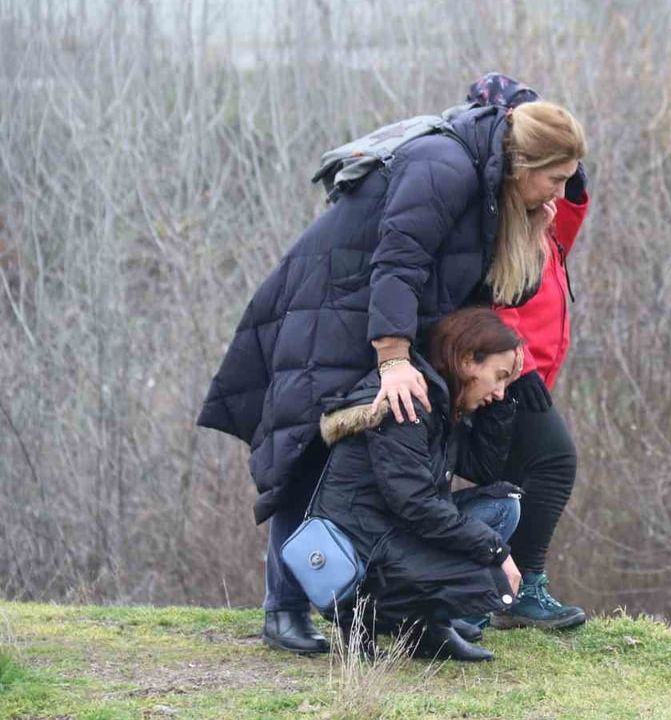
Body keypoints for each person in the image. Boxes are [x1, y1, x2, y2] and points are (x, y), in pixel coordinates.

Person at [197, 94, 587, 654]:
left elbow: (495, 293)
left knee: (400, 466)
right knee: (310, 455)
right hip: (330, 314)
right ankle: (284, 611)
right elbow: (397, 263)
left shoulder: (492, 191)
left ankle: (412, 621)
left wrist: (530, 232)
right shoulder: (445, 166)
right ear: (523, 163)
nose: (559, 192)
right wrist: (394, 358)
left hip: (379, 319)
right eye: (554, 179)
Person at [312, 307, 525, 662]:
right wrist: (495, 551)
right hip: (364, 551)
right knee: (485, 574)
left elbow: (485, 469)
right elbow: (416, 505)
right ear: (469, 361)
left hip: (394, 530)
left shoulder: (441, 400)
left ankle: (427, 628)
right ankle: (364, 615)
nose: (501, 391)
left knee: (502, 507)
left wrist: (501, 406)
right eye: (499, 377)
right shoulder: (406, 404)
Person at [462, 73, 591, 630]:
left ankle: (494, 592)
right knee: (554, 461)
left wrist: (570, 172)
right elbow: (493, 294)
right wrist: (521, 365)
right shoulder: (498, 211)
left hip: (529, 368)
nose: (563, 192)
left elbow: (566, 223)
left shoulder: (539, 214)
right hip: (509, 369)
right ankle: (527, 588)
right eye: (555, 177)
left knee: (511, 479)